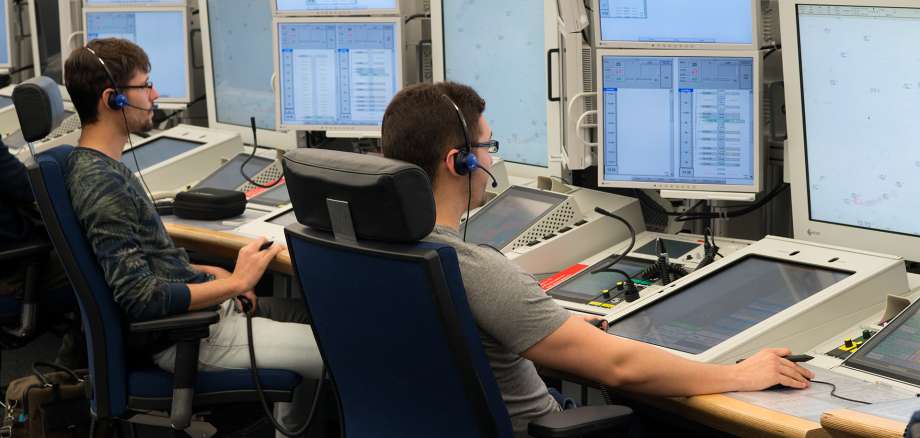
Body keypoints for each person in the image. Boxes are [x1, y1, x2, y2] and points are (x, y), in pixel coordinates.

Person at [381, 81, 815, 435]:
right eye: (487, 145)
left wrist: (551, 331)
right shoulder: (471, 266)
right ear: (459, 163)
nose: (492, 158)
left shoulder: (370, 247)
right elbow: (619, 366)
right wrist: (739, 375)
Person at [62, 38, 321, 436]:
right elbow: (139, 296)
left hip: (207, 317)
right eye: (144, 87)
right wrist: (237, 281)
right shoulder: (102, 185)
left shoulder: (95, 166)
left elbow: (148, 262)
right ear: (112, 99)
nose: (155, 95)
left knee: (323, 317)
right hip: (191, 337)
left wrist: (212, 272)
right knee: (349, 352)